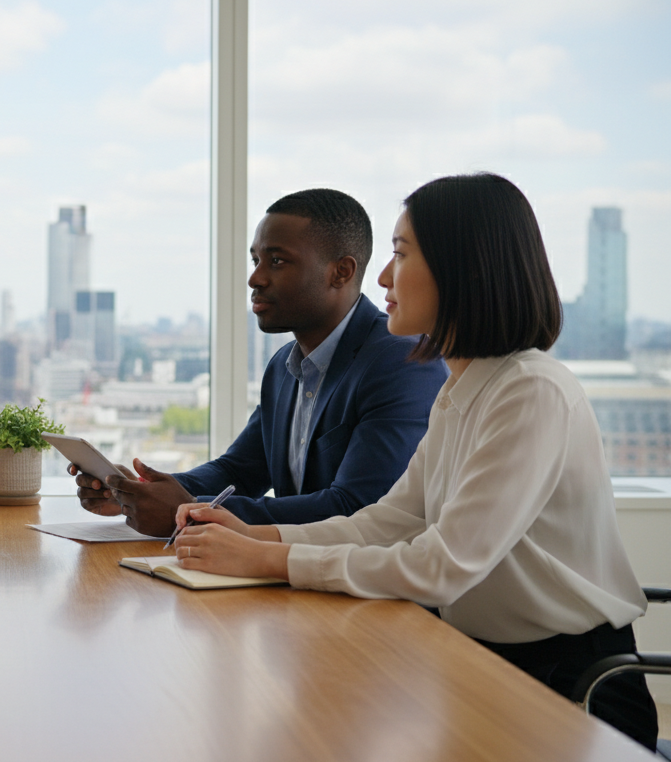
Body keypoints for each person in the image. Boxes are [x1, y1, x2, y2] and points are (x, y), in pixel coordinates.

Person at [170, 173, 657, 749]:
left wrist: (269, 561)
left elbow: (442, 564)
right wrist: (262, 536)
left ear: (462, 268)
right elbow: (388, 522)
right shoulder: (462, 389)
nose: (382, 277)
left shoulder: (531, 390)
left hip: (571, 685)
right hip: (479, 660)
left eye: (400, 254)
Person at [72, 189, 447, 537]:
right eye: (256, 260)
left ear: (342, 272)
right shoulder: (285, 365)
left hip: (373, 599)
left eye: (277, 261)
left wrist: (189, 510)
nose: (255, 278)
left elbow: (358, 509)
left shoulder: (402, 360)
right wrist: (139, 493)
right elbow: (238, 471)